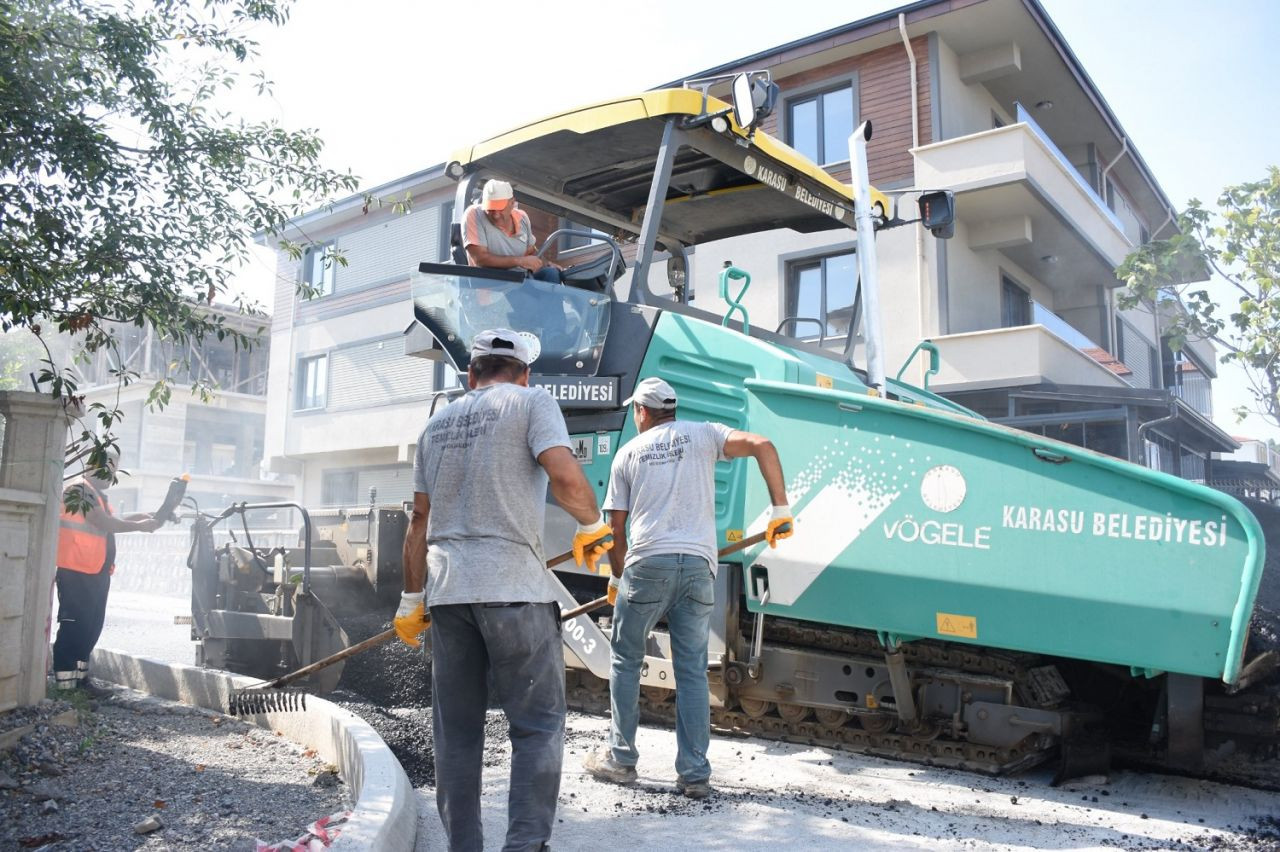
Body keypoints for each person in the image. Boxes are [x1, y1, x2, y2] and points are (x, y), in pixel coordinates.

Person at [397, 328, 614, 852]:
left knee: (458, 735)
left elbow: (419, 522)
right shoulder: (533, 402)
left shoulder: (436, 424)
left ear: (471, 374)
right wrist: (591, 524)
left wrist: (410, 599)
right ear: (524, 373)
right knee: (537, 727)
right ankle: (524, 846)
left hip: (449, 594)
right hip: (515, 589)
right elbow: (563, 475)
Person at [584, 377, 794, 799]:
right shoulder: (704, 434)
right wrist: (780, 508)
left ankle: (621, 760)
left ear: (642, 412)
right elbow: (763, 445)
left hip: (646, 565)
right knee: (693, 672)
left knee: (625, 661)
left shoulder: (627, 453)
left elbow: (615, 529)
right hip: (699, 566)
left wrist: (616, 576)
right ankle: (695, 775)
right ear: (672, 410)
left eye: (634, 412)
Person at [53, 447, 163, 694]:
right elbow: (102, 522)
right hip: (76, 570)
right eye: (107, 469)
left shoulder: (96, 494)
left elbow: (110, 520)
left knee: (90, 627)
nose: (111, 475)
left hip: (94, 571)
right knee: (74, 626)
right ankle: (65, 687)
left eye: (113, 470)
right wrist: (140, 527)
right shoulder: (79, 490)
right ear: (92, 466)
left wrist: (145, 517)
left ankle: (80, 682)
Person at [463, 179, 563, 283]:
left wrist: (547, 263)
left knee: (551, 274)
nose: (496, 215)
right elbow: (480, 259)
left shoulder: (522, 218)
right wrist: (519, 261)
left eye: (500, 209)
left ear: (512, 203)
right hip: (492, 286)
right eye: (491, 210)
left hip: (521, 281)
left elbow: (531, 252)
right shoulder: (474, 215)